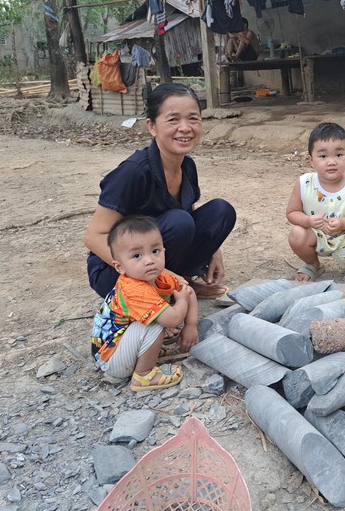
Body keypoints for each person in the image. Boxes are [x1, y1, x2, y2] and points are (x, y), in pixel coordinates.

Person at [84, 82, 236, 299]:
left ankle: (180, 283)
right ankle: (164, 290)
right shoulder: (134, 172)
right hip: (116, 271)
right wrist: (160, 273)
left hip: (156, 255)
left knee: (221, 211)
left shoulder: (187, 165)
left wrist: (214, 252)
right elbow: (93, 237)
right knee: (179, 222)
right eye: (173, 119)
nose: (185, 128)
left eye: (193, 118)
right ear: (152, 126)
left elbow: (189, 211)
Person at [91, 215, 199, 391]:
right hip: (111, 359)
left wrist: (191, 325)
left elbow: (188, 290)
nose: (149, 260)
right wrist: (181, 300)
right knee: (155, 321)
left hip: (121, 347)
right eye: (136, 255)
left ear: (164, 250)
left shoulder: (160, 276)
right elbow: (172, 318)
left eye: (155, 251)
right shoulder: (134, 290)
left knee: (156, 316)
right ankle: (144, 375)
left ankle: (142, 355)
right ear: (120, 267)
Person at [286, 122, 345, 285]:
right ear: (310, 160)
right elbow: (292, 213)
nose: (331, 162)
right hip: (316, 236)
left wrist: (343, 223)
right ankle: (313, 264)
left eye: (338, 155)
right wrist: (308, 221)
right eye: (323, 156)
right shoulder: (304, 183)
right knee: (297, 233)